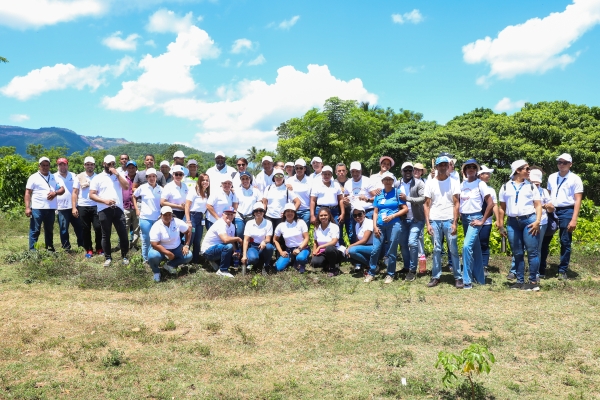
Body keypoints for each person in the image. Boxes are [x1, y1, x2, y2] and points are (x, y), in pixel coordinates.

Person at [498, 160, 542, 291]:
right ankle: (519, 281)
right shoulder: (505, 187)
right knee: (517, 253)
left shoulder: (532, 186)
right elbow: (501, 208)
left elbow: (538, 205)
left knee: (532, 252)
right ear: (518, 170)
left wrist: (537, 221)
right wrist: (500, 224)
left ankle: (533, 281)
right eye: (527, 169)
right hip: (512, 222)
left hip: (529, 221)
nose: (529, 171)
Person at [424, 156, 462, 288]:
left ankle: (458, 277)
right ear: (436, 167)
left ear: (448, 166)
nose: (443, 167)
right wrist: (428, 223)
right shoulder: (430, 182)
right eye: (440, 165)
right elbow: (427, 204)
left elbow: (456, 203)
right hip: (435, 219)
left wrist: (455, 222)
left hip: (449, 220)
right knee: (436, 249)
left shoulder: (454, 181)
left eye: (445, 165)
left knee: (453, 248)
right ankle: (436, 276)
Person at [364, 172, 408, 284]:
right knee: (375, 250)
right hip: (380, 225)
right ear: (382, 181)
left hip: (394, 224)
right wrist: (374, 226)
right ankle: (371, 273)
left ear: (393, 181)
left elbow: (405, 209)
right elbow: (375, 211)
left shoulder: (398, 193)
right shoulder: (379, 194)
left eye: (390, 179)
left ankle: (390, 274)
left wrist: (393, 216)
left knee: (392, 251)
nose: (388, 181)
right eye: (385, 179)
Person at [547, 153, 584, 280]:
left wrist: (574, 219)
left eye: (564, 162)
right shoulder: (551, 177)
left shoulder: (575, 179)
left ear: (570, 164)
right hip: (551, 210)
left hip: (567, 210)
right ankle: (540, 268)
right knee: (545, 238)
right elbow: (548, 194)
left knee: (565, 241)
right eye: (559, 162)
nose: (561, 165)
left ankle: (562, 270)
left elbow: (578, 200)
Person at [89, 155, 130, 267]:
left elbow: (126, 187)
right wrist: (104, 201)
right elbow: (92, 195)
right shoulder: (97, 178)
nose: (110, 166)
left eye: (112, 163)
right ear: (103, 164)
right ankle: (108, 257)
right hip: (104, 209)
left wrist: (117, 174)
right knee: (105, 235)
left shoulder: (119, 175)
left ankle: (125, 256)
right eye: (108, 164)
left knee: (123, 234)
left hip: (118, 209)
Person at [458, 159, 494, 289]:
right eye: (468, 167)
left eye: (474, 167)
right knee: (476, 248)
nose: (471, 169)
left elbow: (491, 203)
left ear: (476, 170)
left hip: (475, 218)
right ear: (465, 170)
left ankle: (467, 280)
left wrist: (482, 221)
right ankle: (480, 279)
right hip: (465, 219)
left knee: (466, 247)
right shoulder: (461, 185)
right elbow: (459, 202)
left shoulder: (481, 184)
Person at [24, 157, 65, 251]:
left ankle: (49, 248)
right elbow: (27, 192)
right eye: (43, 165)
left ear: (50, 166)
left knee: (49, 229)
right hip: (37, 208)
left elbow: (62, 189)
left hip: (51, 208)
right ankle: (32, 251)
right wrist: (27, 207)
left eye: (47, 165)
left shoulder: (55, 177)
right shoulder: (33, 177)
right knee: (35, 230)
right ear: (39, 166)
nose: (45, 167)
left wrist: (55, 193)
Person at [396, 162, 427, 282]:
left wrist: (407, 198)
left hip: (417, 218)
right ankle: (406, 267)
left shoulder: (419, 183)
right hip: (403, 218)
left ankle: (413, 270)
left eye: (410, 170)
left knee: (412, 242)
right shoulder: (397, 184)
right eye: (406, 170)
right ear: (402, 172)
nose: (408, 172)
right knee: (403, 244)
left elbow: (423, 198)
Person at [148, 206, 192, 282]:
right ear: (161, 215)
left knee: (188, 256)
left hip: (176, 247)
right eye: (165, 215)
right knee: (152, 256)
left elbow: (188, 231)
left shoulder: (177, 221)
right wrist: (168, 253)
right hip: (161, 249)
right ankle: (156, 272)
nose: (168, 217)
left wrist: (186, 245)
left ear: (172, 215)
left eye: (169, 214)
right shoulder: (156, 226)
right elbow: (154, 244)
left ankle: (169, 265)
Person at [72, 156, 103, 258]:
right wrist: (74, 207)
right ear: (84, 165)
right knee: (85, 229)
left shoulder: (98, 177)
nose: (90, 166)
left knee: (98, 228)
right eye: (87, 164)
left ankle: (99, 247)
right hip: (83, 206)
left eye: (91, 164)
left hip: (96, 206)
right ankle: (88, 249)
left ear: (94, 166)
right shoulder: (79, 177)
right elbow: (75, 192)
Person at [200, 206, 242, 278]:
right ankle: (223, 270)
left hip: (218, 248)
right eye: (227, 214)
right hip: (208, 251)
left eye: (231, 214)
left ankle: (215, 262)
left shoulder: (232, 226)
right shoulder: (220, 223)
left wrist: (235, 251)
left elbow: (231, 240)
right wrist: (238, 238)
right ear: (223, 215)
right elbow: (225, 240)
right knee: (228, 246)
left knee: (233, 253)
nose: (230, 216)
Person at [133, 168, 163, 264]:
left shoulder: (161, 189)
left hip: (158, 218)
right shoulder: (142, 187)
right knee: (146, 239)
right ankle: (145, 259)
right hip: (145, 217)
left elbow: (164, 202)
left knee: (157, 239)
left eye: (153, 176)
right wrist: (137, 209)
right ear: (146, 178)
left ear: (156, 177)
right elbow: (134, 196)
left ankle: (155, 257)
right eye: (149, 176)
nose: (151, 178)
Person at [530, 168, 554, 279]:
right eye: (534, 183)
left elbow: (550, 208)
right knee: (526, 247)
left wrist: (549, 207)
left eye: (538, 183)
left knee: (537, 248)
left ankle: (536, 272)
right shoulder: (526, 189)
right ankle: (518, 270)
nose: (536, 185)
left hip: (542, 222)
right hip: (529, 221)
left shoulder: (544, 191)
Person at [54, 157, 83, 250]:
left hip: (75, 206)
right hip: (61, 207)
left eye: (64, 164)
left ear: (67, 165)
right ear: (57, 166)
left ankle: (81, 246)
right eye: (60, 165)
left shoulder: (74, 175)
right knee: (63, 229)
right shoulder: (53, 177)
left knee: (79, 228)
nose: (62, 167)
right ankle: (66, 248)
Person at [346, 162, 377, 249]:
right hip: (355, 212)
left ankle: (372, 253)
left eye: (357, 171)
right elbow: (346, 197)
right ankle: (355, 252)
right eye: (353, 171)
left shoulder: (367, 181)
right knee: (354, 233)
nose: (355, 174)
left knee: (369, 234)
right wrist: (346, 201)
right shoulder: (348, 183)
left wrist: (367, 199)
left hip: (368, 211)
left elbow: (376, 198)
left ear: (361, 171)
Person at [477, 166, 501, 274]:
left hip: (486, 221)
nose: (488, 175)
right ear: (480, 175)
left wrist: (498, 219)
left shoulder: (491, 189)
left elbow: (494, 205)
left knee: (484, 242)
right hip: (473, 220)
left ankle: (484, 266)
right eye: (486, 173)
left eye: (488, 174)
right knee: (473, 243)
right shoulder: (473, 187)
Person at [273, 203, 310, 272]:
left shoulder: (301, 222)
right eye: (287, 211)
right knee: (278, 268)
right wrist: (281, 252)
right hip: (289, 251)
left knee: (301, 258)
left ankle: (301, 263)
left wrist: (299, 248)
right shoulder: (281, 225)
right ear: (284, 213)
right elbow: (275, 240)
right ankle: (293, 261)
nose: (290, 213)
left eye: (292, 211)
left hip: (302, 248)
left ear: (295, 213)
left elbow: (307, 238)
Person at [241, 202, 275, 274]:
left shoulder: (268, 223)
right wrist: (244, 255)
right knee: (253, 258)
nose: (258, 212)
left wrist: (264, 242)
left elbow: (268, 239)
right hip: (253, 246)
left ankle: (266, 265)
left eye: (261, 210)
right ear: (253, 213)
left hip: (264, 246)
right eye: (256, 211)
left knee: (270, 247)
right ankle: (255, 263)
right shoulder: (249, 223)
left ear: (264, 212)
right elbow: (246, 240)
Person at [311, 207, 345, 277]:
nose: (323, 217)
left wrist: (320, 247)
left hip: (335, 251)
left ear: (329, 216)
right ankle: (327, 265)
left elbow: (334, 242)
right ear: (319, 217)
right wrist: (314, 251)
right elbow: (315, 242)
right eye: (321, 215)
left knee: (329, 248)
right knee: (314, 263)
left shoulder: (334, 226)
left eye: (325, 215)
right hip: (322, 252)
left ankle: (333, 269)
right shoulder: (317, 228)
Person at [185, 173, 210, 264]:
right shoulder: (194, 191)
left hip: (201, 218)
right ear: (199, 181)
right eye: (203, 180)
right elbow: (187, 206)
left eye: (207, 180)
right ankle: (184, 259)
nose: (205, 182)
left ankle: (195, 260)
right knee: (190, 239)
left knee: (198, 239)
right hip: (193, 217)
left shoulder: (206, 193)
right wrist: (188, 221)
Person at [345, 206, 374, 272]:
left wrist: (350, 246)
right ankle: (365, 264)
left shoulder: (369, 222)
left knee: (352, 250)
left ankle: (372, 265)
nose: (357, 217)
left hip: (373, 247)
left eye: (359, 214)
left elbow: (364, 240)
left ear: (364, 214)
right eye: (355, 215)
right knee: (345, 253)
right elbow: (358, 240)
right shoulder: (357, 225)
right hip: (364, 248)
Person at [234, 171, 262, 239]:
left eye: (247, 178)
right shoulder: (237, 191)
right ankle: (240, 249)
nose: (245, 180)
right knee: (240, 234)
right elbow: (235, 205)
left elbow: (259, 203)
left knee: (251, 235)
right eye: (243, 179)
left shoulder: (256, 191)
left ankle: (249, 249)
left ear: (250, 179)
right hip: (240, 216)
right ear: (240, 180)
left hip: (252, 217)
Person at [285, 158, 312, 226]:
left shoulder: (310, 181)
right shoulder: (289, 180)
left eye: (301, 168)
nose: (299, 170)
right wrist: (285, 185)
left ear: (304, 169)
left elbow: (312, 198)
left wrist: (312, 213)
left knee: (304, 232)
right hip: (292, 210)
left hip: (306, 211)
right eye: (297, 168)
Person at [122, 160, 139, 250]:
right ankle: (124, 244)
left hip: (136, 206)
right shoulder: (123, 178)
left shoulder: (139, 178)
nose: (131, 169)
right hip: (125, 206)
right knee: (124, 227)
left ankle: (133, 245)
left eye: (133, 167)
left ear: (136, 168)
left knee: (136, 228)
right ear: (126, 168)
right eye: (129, 167)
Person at [412, 162, 428, 259]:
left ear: (422, 172)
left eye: (419, 170)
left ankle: (421, 253)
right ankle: (415, 254)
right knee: (413, 234)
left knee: (421, 234)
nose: (417, 171)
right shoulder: (410, 181)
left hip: (422, 210)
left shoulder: (425, 181)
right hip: (411, 211)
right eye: (415, 169)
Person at [334, 162, 352, 247]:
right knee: (338, 233)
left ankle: (352, 251)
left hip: (350, 211)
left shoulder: (352, 182)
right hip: (338, 212)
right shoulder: (333, 183)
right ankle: (341, 251)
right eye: (339, 171)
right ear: (335, 172)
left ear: (346, 171)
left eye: (343, 170)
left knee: (351, 233)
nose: (341, 172)